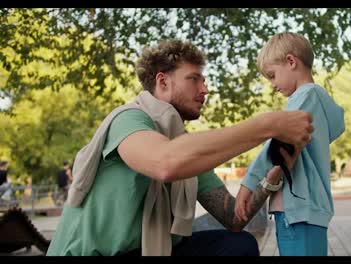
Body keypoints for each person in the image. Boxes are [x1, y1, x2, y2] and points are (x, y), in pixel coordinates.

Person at [46, 39, 314, 256]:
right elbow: (165, 163)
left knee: (237, 246)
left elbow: (234, 217)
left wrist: (273, 176)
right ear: (163, 82)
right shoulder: (128, 119)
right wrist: (268, 124)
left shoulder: (185, 149)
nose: (205, 89)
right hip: (97, 253)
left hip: (153, 249)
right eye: (194, 79)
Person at [235, 32, 345, 256]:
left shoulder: (305, 95)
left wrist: (249, 182)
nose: (273, 85)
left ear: (291, 61)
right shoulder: (318, 100)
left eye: (273, 75)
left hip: (297, 209)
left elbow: (278, 144)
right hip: (310, 208)